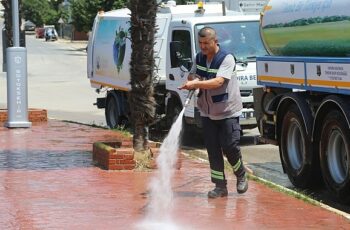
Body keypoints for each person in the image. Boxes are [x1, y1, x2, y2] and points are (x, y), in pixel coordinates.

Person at [179, 26, 248, 198]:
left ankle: (241, 175)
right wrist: (192, 79)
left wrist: (196, 84)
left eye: (206, 43)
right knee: (213, 149)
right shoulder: (199, 57)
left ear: (215, 41)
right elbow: (192, 74)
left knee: (230, 146)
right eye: (200, 43)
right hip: (207, 112)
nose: (203, 47)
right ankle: (220, 186)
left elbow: (218, 82)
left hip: (227, 112)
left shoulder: (226, 58)